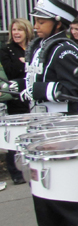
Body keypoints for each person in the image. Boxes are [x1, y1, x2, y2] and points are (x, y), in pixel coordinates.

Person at [18, 0, 78, 226]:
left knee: (50, 173)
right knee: (37, 172)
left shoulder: (64, 49)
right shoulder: (39, 46)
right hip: (41, 120)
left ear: (58, 23)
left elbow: (76, 86)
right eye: (35, 20)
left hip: (59, 123)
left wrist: (38, 89)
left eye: (41, 21)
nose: (35, 25)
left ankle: (76, 215)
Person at [0, 18, 34, 184]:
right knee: (16, 136)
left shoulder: (34, 47)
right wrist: (27, 64)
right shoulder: (7, 49)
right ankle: (16, 172)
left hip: (32, 96)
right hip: (15, 97)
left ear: (26, 31)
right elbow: (11, 70)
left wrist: (25, 64)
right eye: (13, 30)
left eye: (19, 30)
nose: (16, 33)